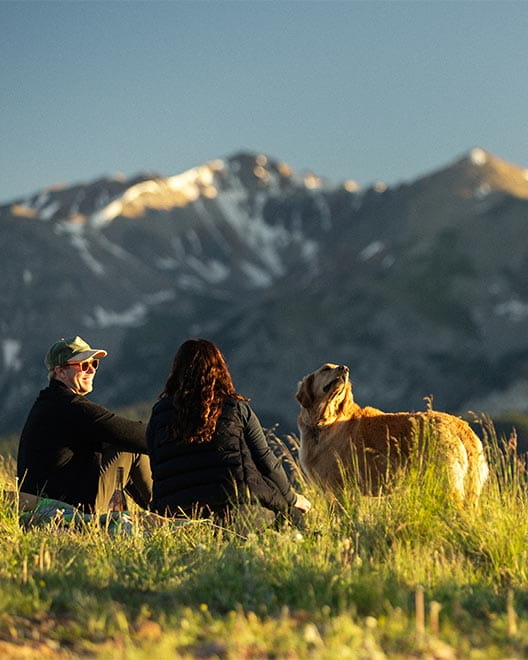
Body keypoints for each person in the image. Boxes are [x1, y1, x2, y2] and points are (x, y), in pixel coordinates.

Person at [146, 338, 311, 525]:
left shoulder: (158, 415)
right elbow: (266, 462)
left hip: (175, 516)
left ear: (176, 373)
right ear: (219, 370)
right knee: (295, 521)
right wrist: (292, 498)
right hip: (237, 509)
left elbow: (157, 467)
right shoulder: (235, 408)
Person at [17, 336, 152, 513]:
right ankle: (171, 513)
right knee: (130, 448)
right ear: (60, 371)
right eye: (84, 365)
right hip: (67, 509)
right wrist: (179, 438)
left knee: (118, 444)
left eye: (94, 364)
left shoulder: (50, 402)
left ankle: (161, 513)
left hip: (51, 503)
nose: (91, 370)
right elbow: (132, 434)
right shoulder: (70, 406)